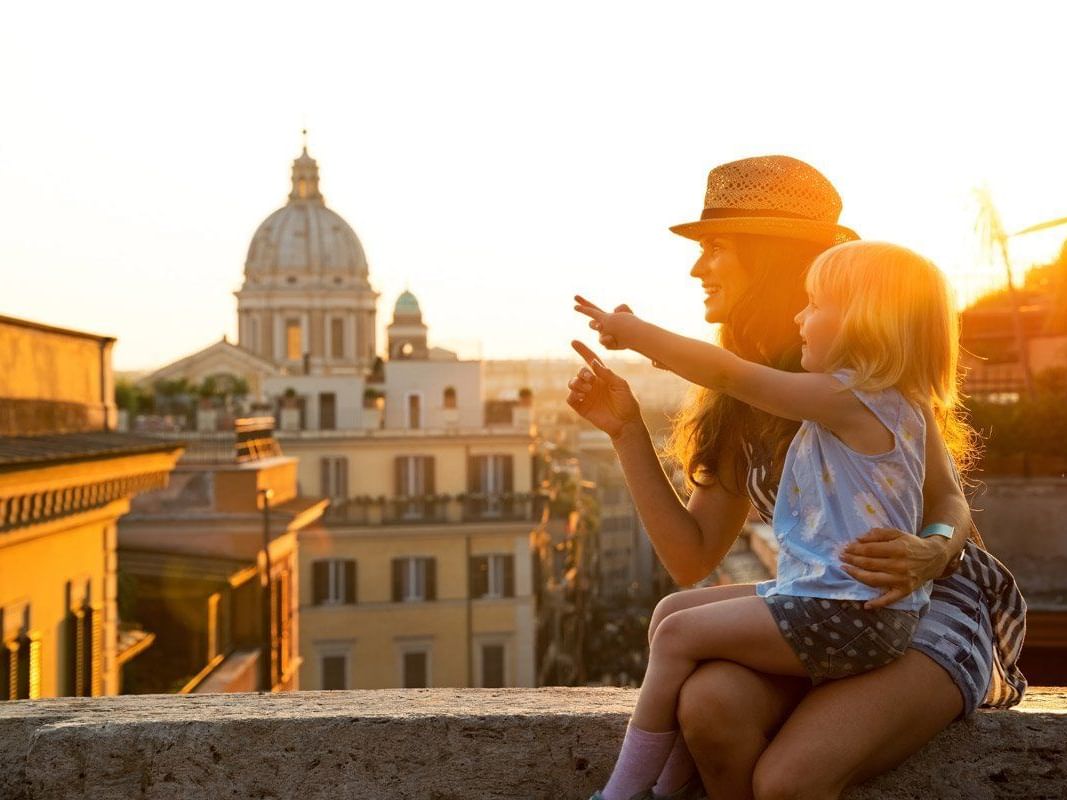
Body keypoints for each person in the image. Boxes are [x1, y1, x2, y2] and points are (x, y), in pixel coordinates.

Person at [566, 156, 1026, 800]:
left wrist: (933, 547)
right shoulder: (737, 399)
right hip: (823, 598)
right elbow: (691, 555)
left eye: (715, 248)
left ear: (774, 259)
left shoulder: (863, 385)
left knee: (791, 779)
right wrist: (625, 430)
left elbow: (945, 496)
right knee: (709, 707)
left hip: (919, 603)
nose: (697, 269)